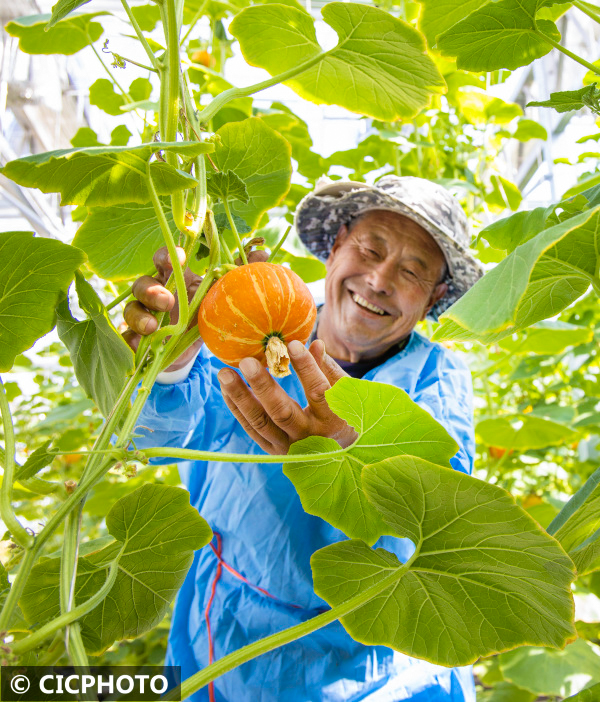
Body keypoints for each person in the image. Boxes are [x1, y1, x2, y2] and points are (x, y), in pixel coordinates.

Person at [121, 176, 484, 702]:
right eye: (370, 249)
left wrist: (350, 461)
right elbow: (154, 438)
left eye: (411, 271)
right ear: (335, 248)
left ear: (435, 297)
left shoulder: (437, 379)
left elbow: (436, 519)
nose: (379, 279)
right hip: (226, 637)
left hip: (378, 669)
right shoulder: (246, 324)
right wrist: (174, 358)